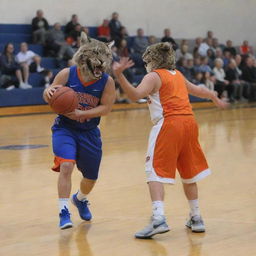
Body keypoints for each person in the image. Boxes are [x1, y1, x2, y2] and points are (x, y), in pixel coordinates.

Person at [112, 42, 228, 239]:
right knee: (189, 173)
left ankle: (158, 219)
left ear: (153, 60)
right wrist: (214, 97)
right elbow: (198, 90)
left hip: (169, 124)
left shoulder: (154, 76)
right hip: (189, 123)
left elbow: (134, 95)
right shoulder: (178, 75)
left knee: (154, 172)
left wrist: (119, 75)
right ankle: (196, 217)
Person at [43, 32, 115, 229]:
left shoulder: (107, 81)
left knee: (91, 178)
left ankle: (80, 199)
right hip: (65, 128)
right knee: (66, 166)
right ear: (84, 56)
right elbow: (50, 92)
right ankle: (63, 212)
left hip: (89, 132)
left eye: (104, 60)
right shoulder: (68, 73)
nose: (100, 63)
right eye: (96, 59)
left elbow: (106, 108)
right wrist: (48, 92)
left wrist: (84, 113)